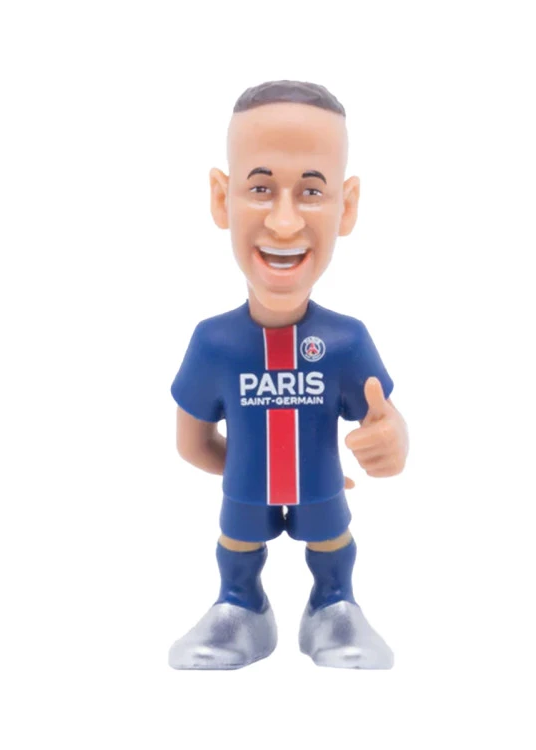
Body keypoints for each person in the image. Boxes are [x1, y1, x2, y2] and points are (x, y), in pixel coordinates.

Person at [168, 80, 409, 669]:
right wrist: (257, 470)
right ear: (221, 199)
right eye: (259, 188)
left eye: (311, 191)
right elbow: (190, 443)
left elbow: (384, 418)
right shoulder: (214, 344)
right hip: (248, 491)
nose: (282, 222)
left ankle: (334, 605)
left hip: (320, 487)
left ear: (346, 207)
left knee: (332, 542)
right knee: (237, 544)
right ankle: (240, 606)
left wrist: (392, 442)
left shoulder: (347, 342)